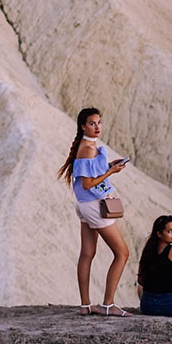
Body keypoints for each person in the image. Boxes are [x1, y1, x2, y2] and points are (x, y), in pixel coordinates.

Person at [58, 106, 131, 316]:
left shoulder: (88, 146)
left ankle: (85, 305)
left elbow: (88, 173)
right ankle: (108, 304)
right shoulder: (88, 148)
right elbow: (89, 183)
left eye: (99, 123)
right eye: (92, 123)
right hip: (94, 205)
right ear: (83, 126)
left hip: (84, 205)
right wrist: (111, 171)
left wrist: (109, 165)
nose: (97, 127)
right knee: (122, 253)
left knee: (87, 253)